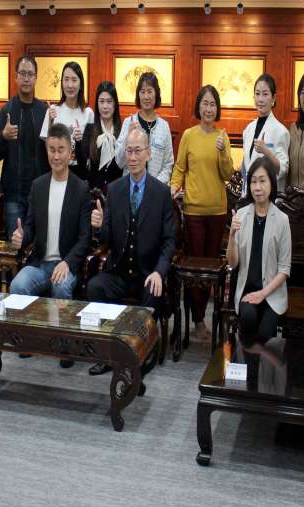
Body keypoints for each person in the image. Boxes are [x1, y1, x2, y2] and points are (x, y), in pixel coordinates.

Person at [87, 127, 176, 375]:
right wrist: (99, 226)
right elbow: (106, 238)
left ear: (148, 154)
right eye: (129, 151)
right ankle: (107, 354)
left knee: (153, 293)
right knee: (95, 286)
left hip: (147, 274)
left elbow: (169, 241)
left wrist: (159, 272)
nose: (133, 157)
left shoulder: (161, 193)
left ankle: (141, 355)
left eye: (138, 151)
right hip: (118, 271)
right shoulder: (115, 189)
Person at [170, 84, 234, 340]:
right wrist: (173, 187)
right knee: (194, 268)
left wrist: (222, 152)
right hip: (194, 212)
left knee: (210, 268)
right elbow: (180, 168)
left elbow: (227, 174)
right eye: (205, 103)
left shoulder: (222, 137)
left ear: (217, 108)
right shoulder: (189, 135)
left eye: (212, 104)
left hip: (217, 212)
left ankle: (203, 318)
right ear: (199, 106)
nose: (209, 108)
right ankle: (197, 319)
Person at [9, 123, 92, 302]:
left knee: (60, 286)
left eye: (61, 150)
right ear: (46, 151)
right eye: (52, 150)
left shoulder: (81, 189)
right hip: (40, 264)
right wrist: (21, 237)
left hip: (67, 264)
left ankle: (60, 323)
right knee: (17, 285)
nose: (56, 156)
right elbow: (30, 228)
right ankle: (29, 323)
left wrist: (68, 263)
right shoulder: (38, 186)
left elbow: (85, 238)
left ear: (70, 152)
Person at [226, 156, 291, 343]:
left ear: (271, 183)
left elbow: (284, 269)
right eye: (253, 182)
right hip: (247, 290)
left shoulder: (282, 220)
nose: (257, 187)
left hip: (272, 293)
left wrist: (263, 294)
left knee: (265, 331)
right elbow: (233, 263)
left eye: (262, 181)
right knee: (248, 318)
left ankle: (256, 360)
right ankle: (246, 359)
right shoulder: (241, 215)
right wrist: (232, 235)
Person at [0, 55, 49, 239]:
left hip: (40, 193)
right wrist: (3, 136)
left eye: (30, 74)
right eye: (22, 74)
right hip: (13, 195)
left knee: (38, 244)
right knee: (15, 244)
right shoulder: (6, 110)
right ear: (15, 77)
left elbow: (50, 152)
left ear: (36, 78)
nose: (26, 78)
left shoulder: (43, 111)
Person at [115, 72, 174, 184]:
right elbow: (119, 162)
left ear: (156, 94)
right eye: (142, 92)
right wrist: (127, 137)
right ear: (138, 95)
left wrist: (154, 185)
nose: (146, 96)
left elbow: (168, 165)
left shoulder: (164, 126)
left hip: (155, 188)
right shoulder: (129, 122)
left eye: (150, 91)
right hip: (130, 187)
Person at [39, 61, 94, 172]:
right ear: (62, 83)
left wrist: (80, 141)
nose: (70, 85)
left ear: (81, 85)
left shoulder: (88, 113)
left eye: (74, 80)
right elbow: (46, 148)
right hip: (57, 170)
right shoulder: (53, 110)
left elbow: (91, 152)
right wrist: (50, 123)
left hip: (80, 172)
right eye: (66, 79)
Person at [241, 73, 289, 192]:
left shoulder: (281, 131)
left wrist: (266, 151)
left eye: (265, 94)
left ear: (273, 98)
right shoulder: (248, 130)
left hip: (270, 196)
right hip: (249, 195)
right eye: (257, 94)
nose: (260, 99)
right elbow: (246, 168)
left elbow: (283, 169)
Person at [76, 81, 123, 194]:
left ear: (115, 104)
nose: (105, 106)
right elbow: (82, 168)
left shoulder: (122, 131)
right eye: (101, 101)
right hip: (94, 194)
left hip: (117, 194)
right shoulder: (90, 129)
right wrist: (78, 143)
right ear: (97, 104)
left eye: (109, 101)